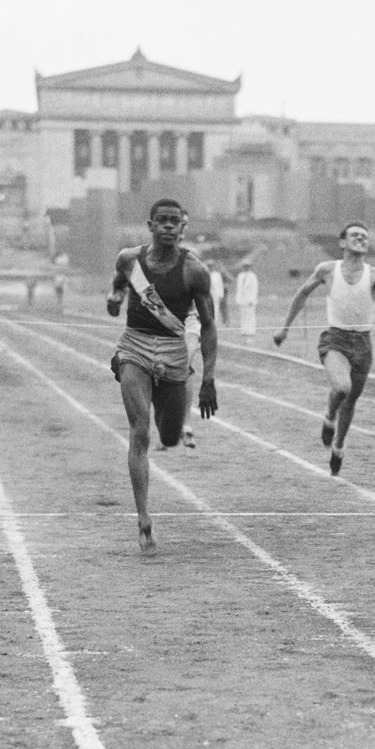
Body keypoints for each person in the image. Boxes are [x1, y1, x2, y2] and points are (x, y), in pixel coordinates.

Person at [103, 199, 217, 554]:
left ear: (183, 227)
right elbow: (118, 283)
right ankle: (143, 518)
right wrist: (115, 297)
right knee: (140, 432)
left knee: (168, 434)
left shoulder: (194, 271)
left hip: (172, 351)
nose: (168, 227)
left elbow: (209, 326)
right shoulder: (129, 259)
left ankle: (176, 414)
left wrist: (209, 379)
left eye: (175, 222)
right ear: (150, 225)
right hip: (134, 346)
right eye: (162, 221)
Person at [273, 222, 375, 475]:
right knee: (342, 388)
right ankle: (328, 417)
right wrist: (285, 328)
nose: (360, 239)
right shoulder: (327, 269)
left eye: (364, 237)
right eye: (355, 235)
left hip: (363, 344)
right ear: (343, 243)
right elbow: (302, 294)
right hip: (335, 339)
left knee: (351, 401)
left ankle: (338, 446)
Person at [233, 258, 260, 338]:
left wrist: (252, 299)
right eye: (244, 266)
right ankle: (244, 330)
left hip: (250, 299)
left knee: (250, 315)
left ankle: (251, 331)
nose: (246, 268)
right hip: (242, 299)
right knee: (243, 315)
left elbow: (255, 288)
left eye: (247, 266)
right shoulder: (240, 275)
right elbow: (239, 288)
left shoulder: (252, 276)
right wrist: (238, 298)